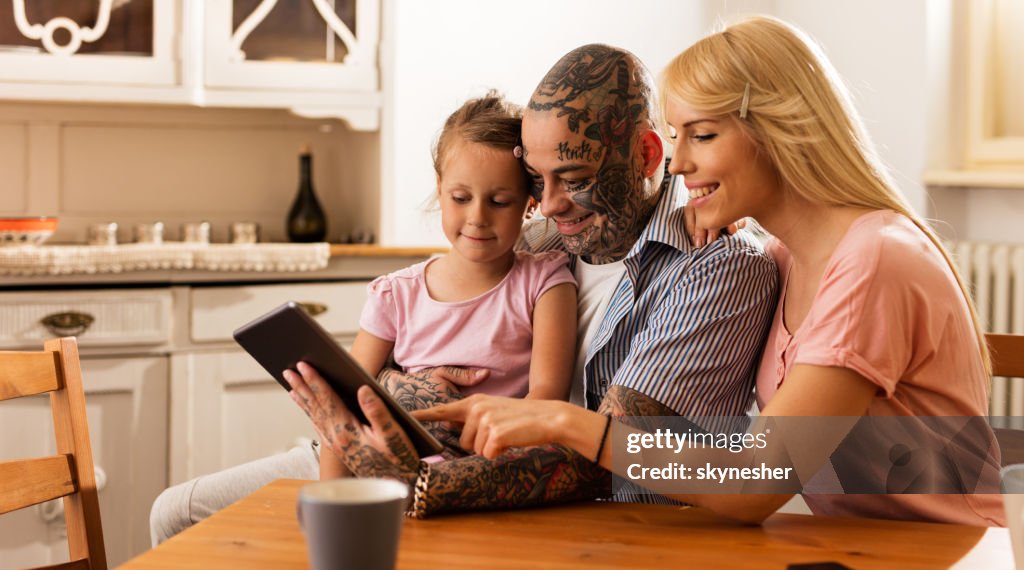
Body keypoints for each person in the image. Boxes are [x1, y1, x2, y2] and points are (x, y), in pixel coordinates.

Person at [414, 17, 1005, 526]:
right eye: (676, 137)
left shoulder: (873, 261)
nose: (678, 161)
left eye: (702, 135)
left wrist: (563, 422)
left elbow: (755, 481)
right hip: (857, 554)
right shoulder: (785, 255)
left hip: (948, 565)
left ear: (779, 129)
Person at [280, 43, 776, 518]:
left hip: (573, 520)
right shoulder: (540, 241)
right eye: (536, 180)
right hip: (399, 461)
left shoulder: (715, 263)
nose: (551, 204)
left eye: (575, 179)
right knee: (200, 505)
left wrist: (417, 481)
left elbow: (615, 449)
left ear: (647, 155)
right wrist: (393, 389)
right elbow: (418, 322)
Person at [321, 93, 578, 480]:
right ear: (440, 189)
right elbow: (342, 405)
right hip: (388, 471)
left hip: (487, 475)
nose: (477, 217)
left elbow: (545, 402)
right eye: (461, 198)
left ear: (529, 202)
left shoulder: (545, 284)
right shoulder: (396, 294)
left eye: (500, 201)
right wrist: (332, 499)